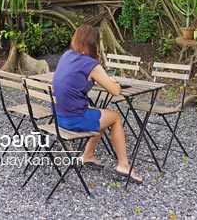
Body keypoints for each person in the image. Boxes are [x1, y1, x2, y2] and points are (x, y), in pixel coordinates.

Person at [52, 24, 143, 183]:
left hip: (59, 118)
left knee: (100, 115)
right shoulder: (91, 64)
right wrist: (113, 82)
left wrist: (99, 80)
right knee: (114, 117)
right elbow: (115, 92)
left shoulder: (66, 56)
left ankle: (87, 155)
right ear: (94, 44)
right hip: (74, 120)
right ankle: (123, 164)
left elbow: (75, 78)